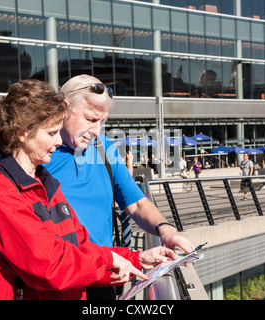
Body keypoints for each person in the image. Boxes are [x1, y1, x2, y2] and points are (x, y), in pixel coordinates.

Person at [0, 79, 177, 300]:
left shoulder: (45, 181)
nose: (57, 141)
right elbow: (47, 263)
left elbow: (79, 242)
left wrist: (135, 258)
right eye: (52, 132)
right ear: (23, 133)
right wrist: (112, 261)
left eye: (102, 121)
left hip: (83, 278)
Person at [43, 74, 194, 300]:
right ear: (64, 108)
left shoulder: (103, 147)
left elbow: (137, 203)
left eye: (102, 121)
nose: (96, 130)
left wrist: (166, 230)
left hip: (104, 275)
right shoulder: (40, 153)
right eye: (90, 119)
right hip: (58, 282)